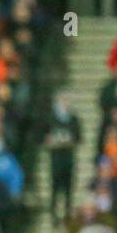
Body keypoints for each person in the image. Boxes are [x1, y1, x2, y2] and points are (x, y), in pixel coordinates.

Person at [45, 92, 82, 225]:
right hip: (56, 158)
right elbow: (43, 136)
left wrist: (69, 141)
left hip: (68, 157)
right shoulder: (50, 118)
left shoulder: (74, 119)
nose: (65, 104)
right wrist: (51, 141)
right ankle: (54, 215)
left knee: (68, 188)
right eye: (63, 101)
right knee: (55, 187)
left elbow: (79, 138)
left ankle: (67, 214)